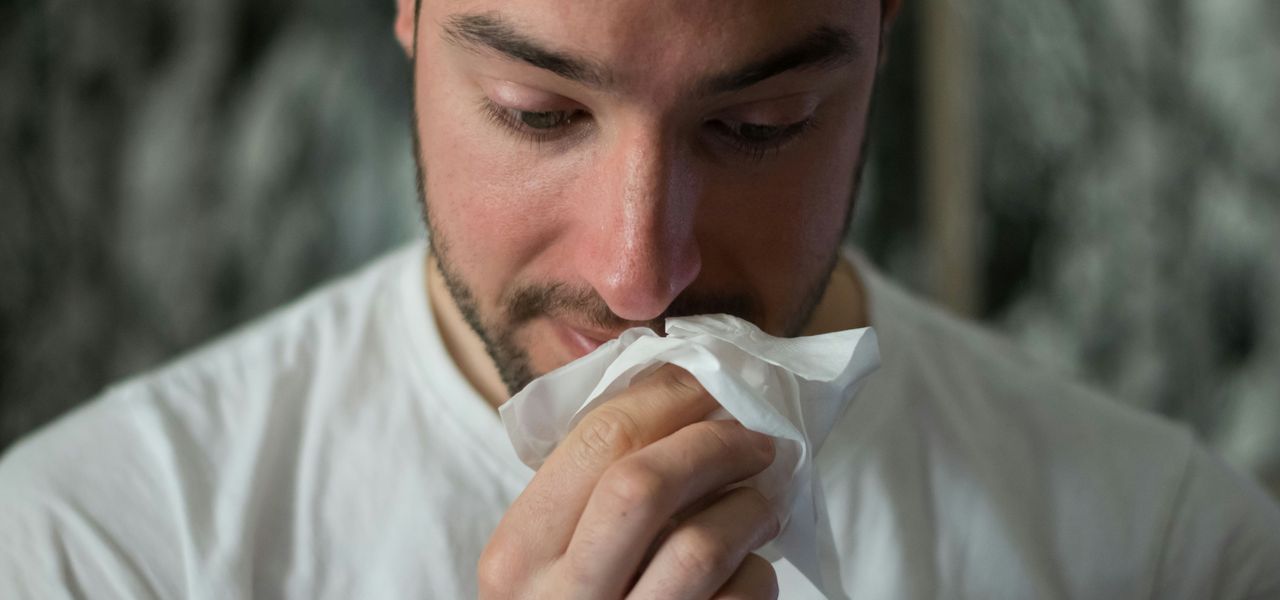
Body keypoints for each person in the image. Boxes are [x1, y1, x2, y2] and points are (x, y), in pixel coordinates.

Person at [2, 0, 1278, 597]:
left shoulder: (1171, 554)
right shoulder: (89, 553)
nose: (639, 274)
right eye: (538, 114)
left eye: (760, 124)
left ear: (884, 27)